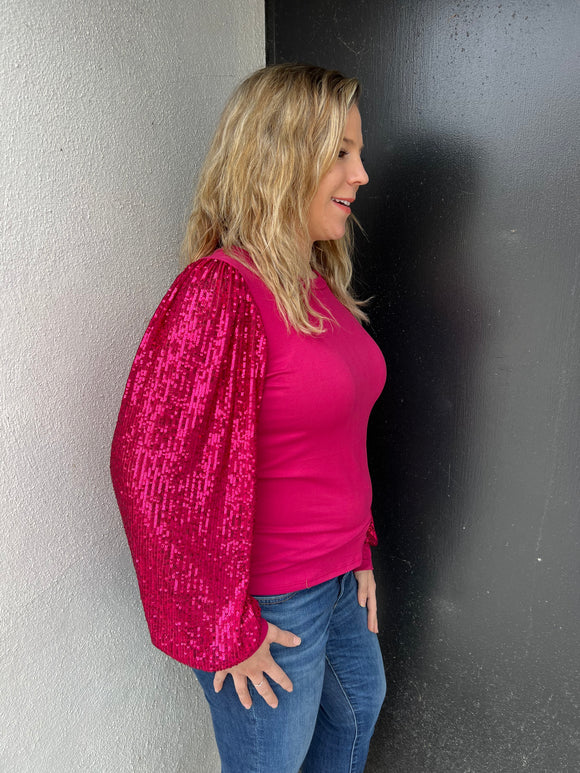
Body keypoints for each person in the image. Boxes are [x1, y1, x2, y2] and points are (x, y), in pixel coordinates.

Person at [110, 63, 386, 773]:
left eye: (357, 152)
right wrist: (221, 626)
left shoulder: (317, 284)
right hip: (270, 603)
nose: (360, 174)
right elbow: (150, 473)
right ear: (281, 157)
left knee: (358, 712)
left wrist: (358, 547)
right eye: (341, 152)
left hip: (338, 578)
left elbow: (335, 437)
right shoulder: (220, 292)